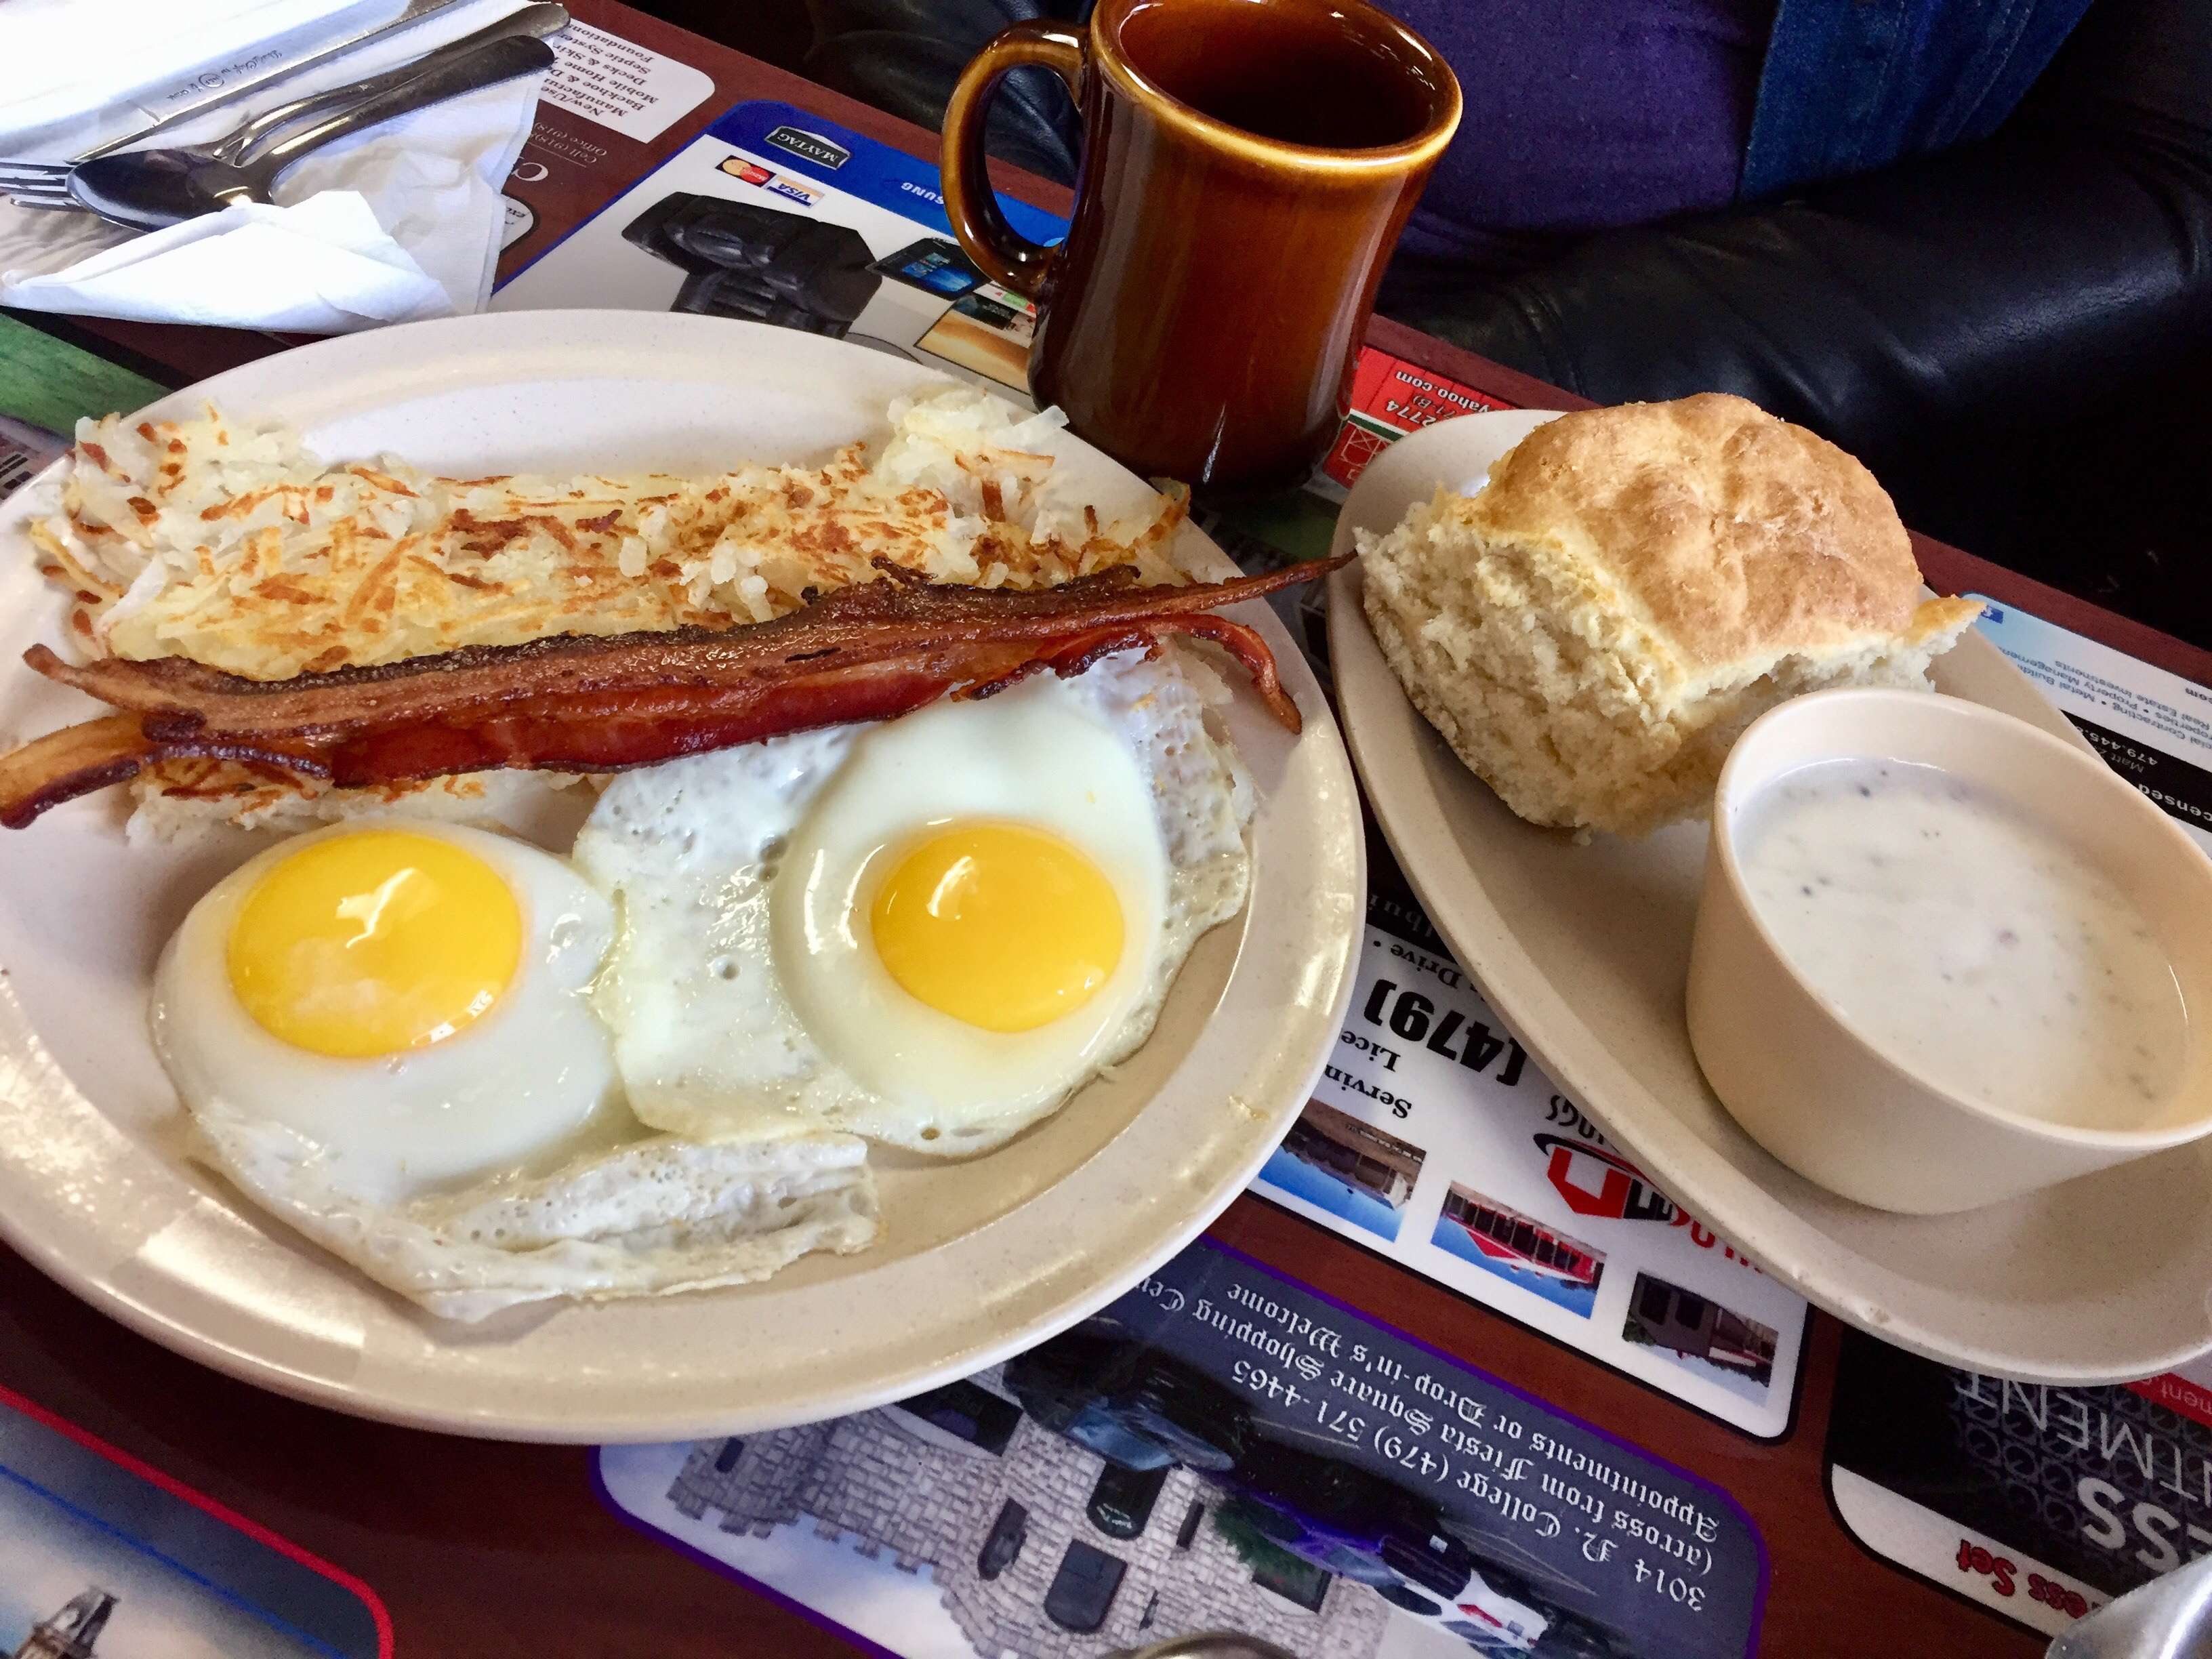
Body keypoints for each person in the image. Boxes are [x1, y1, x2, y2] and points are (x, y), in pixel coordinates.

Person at [797, 0, 2211, 636]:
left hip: (1612, 416)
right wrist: (1038, 220)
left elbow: (2163, 173)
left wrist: (1469, 382)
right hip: (1089, 242)